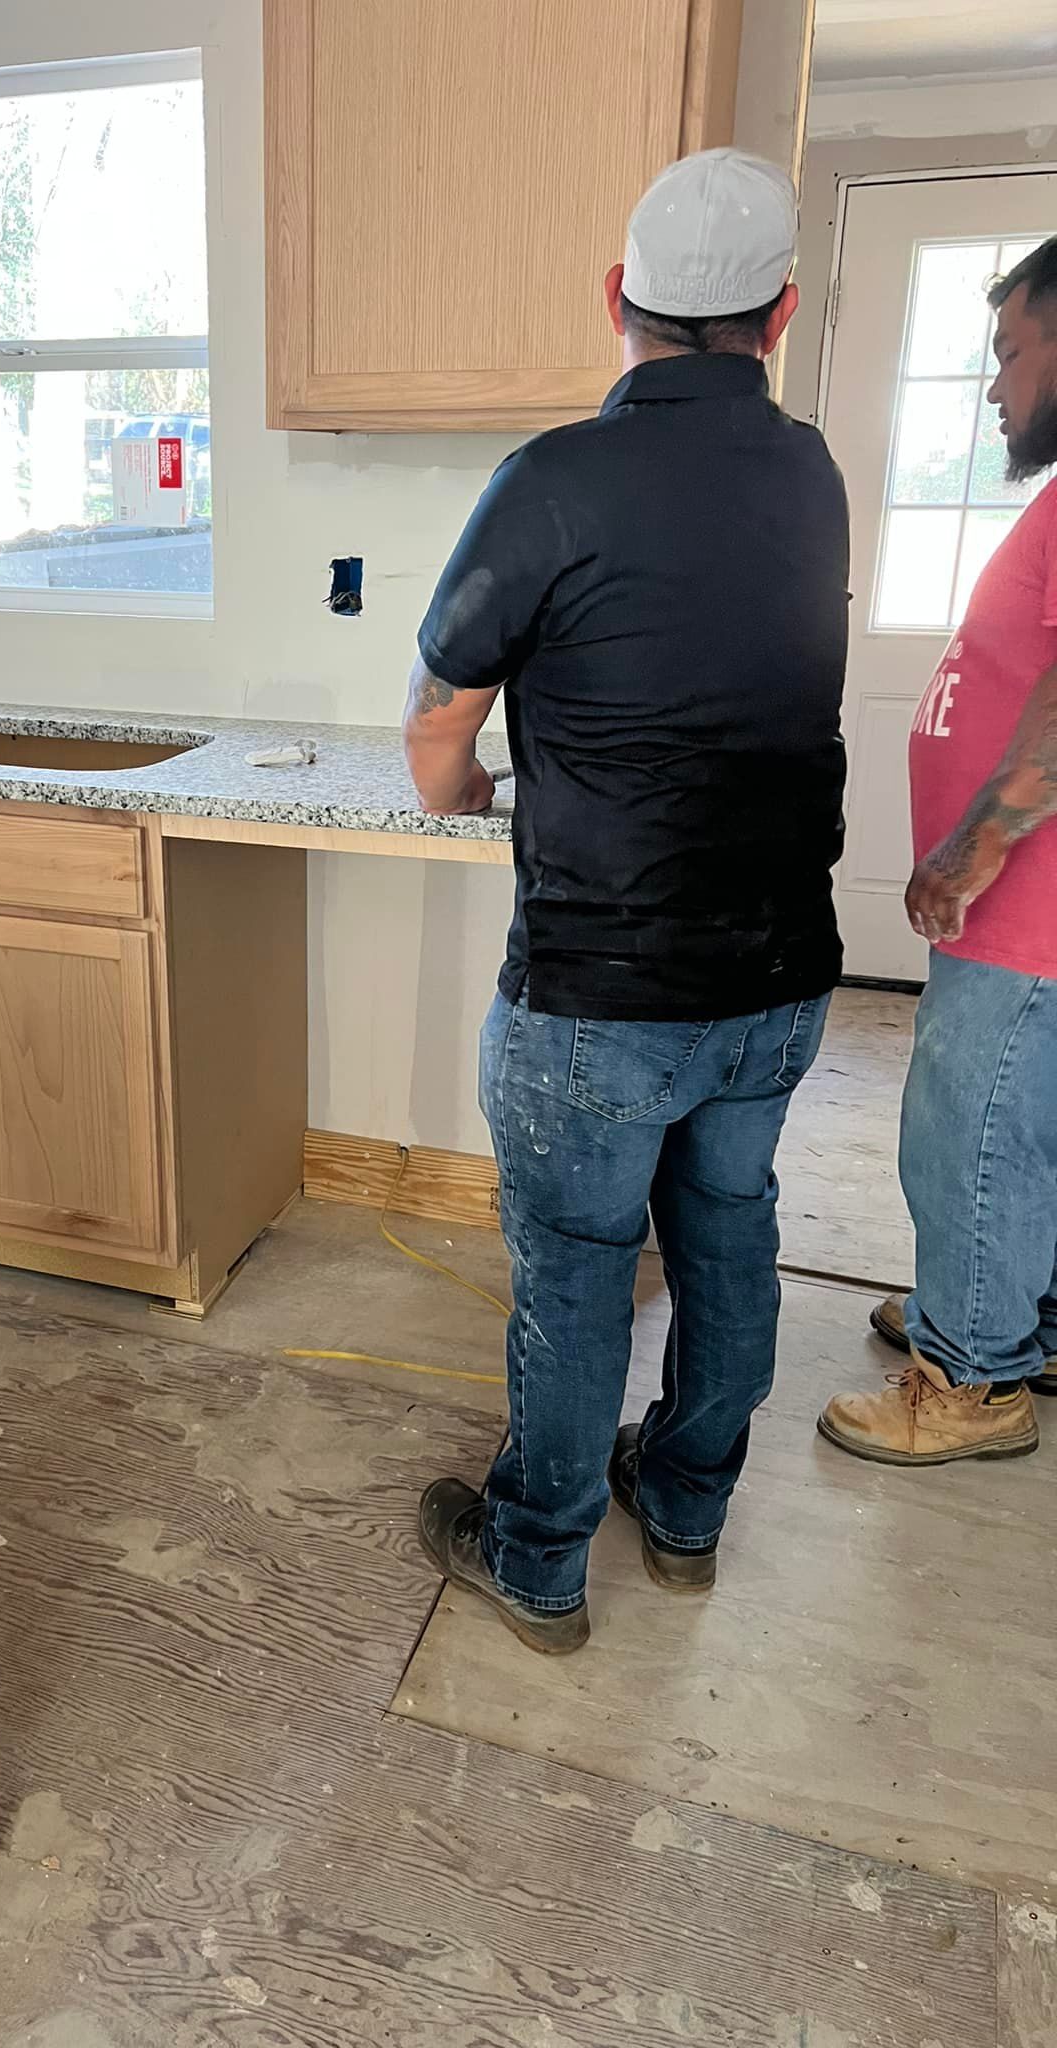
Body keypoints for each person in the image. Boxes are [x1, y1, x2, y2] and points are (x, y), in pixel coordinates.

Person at [401, 149, 850, 1656]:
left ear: (619, 302)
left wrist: (460, 794)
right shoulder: (814, 476)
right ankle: (686, 1508)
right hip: (781, 977)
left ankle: (537, 1556)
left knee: (580, 1269)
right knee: (729, 1236)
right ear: (778, 316)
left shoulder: (555, 479)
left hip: (601, 991)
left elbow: (436, 718)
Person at [820, 235, 1057, 1466]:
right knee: (1029, 1127)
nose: (996, 384)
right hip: (1035, 912)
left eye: (1013, 350)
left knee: (972, 1124)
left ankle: (970, 1377)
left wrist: (970, 852)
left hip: (1032, 908)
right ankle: (1017, 1316)